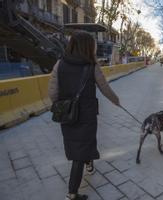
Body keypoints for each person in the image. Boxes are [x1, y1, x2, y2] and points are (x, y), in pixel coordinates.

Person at [48, 31, 120, 200]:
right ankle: (72, 194)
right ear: (87, 46)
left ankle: (89, 163)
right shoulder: (91, 65)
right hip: (86, 114)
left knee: (76, 146)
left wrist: (65, 105)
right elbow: (104, 87)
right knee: (80, 154)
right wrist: (116, 101)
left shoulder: (60, 64)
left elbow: (52, 92)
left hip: (67, 114)